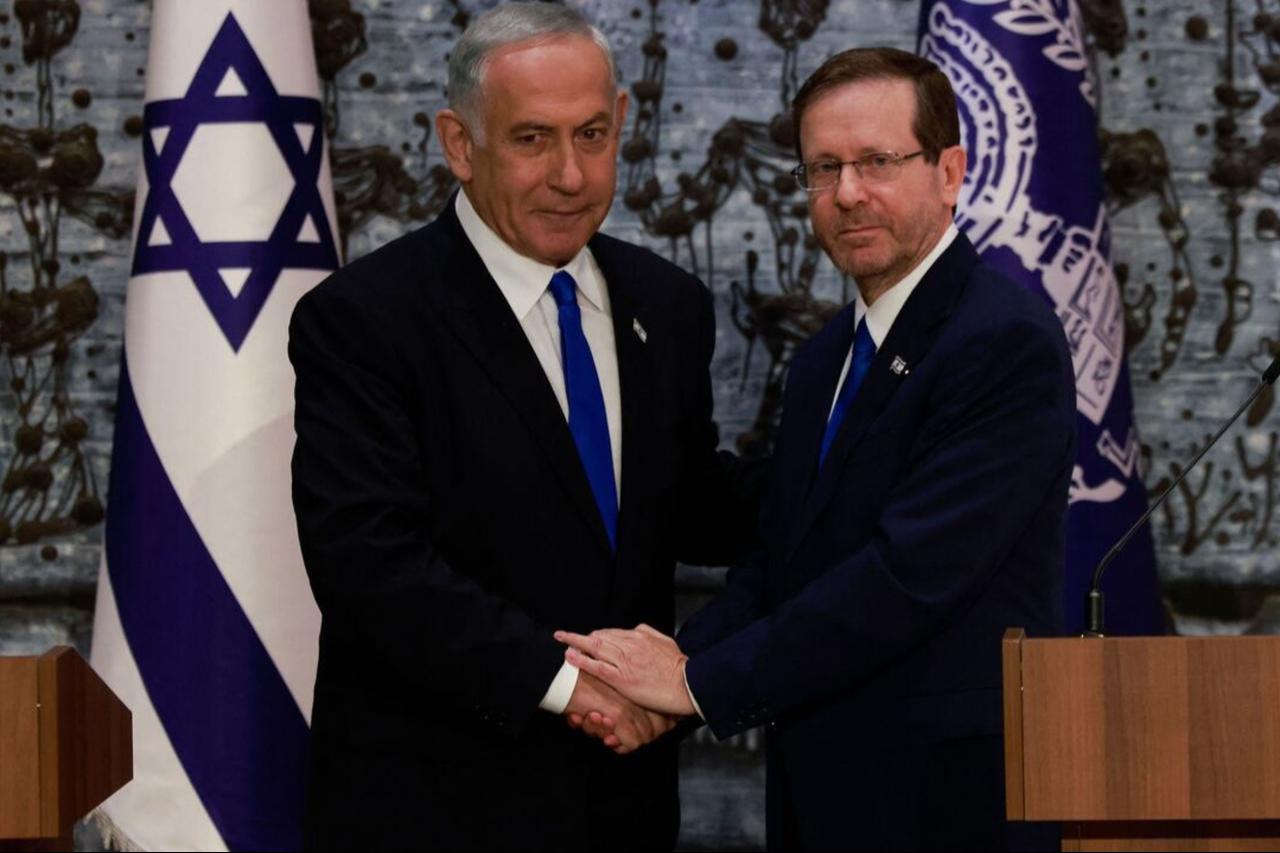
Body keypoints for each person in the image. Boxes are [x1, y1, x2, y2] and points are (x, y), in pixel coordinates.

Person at [557, 47, 1075, 851]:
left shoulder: (1002, 341)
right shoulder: (825, 355)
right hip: (821, 794)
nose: (847, 194)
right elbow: (781, 559)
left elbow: (906, 577)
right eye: (822, 168)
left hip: (946, 805)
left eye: (877, 161)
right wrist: (669, 665)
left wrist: (694, 684)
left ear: (950, 170)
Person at [288, 4, 756, 850]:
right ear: (459, 144)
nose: (571, 175)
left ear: (621, 123)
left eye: (590, 135)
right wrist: (574, 687)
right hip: (434, 810)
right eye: (533, 139)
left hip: (624, 808)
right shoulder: (365, 320)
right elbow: (369, 564)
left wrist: (858, 444)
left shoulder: (667, 305)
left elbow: (684, 505)